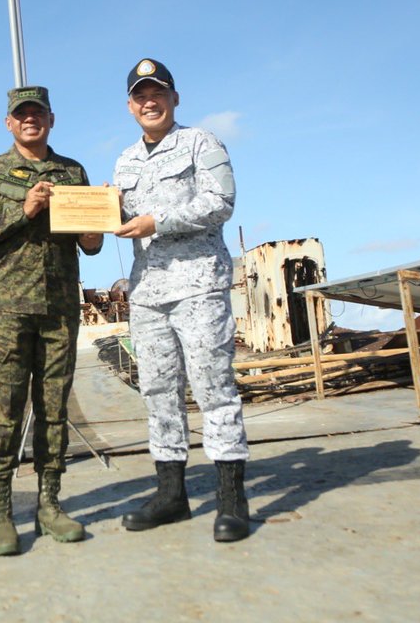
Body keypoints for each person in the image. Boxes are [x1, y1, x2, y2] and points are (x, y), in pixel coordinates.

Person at [0, 86, 103, 556]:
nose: (29, 121)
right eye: (21, 115)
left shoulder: (73, 171)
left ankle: (49, 504)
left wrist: (89, 223)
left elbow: (94, 245)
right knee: (4, 409)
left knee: (54, 408)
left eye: (37, 113)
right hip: (9, 310)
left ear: (51, 119)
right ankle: (0, 510)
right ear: (8, 123)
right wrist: (25, 212)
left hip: (60, 307)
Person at [112, 58, 251, 542]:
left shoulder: (201, 143)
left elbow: (220, 201)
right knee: (157, 391)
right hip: (148, 292)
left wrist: (157, 221)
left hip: (198, 285)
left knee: (214, 387)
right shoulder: (124, 161)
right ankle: (171, 495)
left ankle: (232, 501)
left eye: (158, 92)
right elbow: (115, 213)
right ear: (131, 106)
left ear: (174, 98)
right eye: (140, 95)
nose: (150, 101)